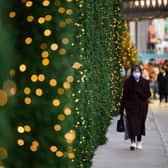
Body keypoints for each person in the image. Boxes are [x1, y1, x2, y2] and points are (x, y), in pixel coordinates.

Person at [120, 64, 151, 150]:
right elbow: (124, 96)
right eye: (134, 71)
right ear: (132, 72)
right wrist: (122, 108)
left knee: (140, 124)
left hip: (142, 107)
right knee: (131, 124)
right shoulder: (127, 82)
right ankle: (133, 142)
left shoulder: (145, 82)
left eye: (138, 71)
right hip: (130, 107)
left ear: (140, 72)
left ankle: (139, 141)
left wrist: (140, 92)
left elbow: (148, 95)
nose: (136, 73)